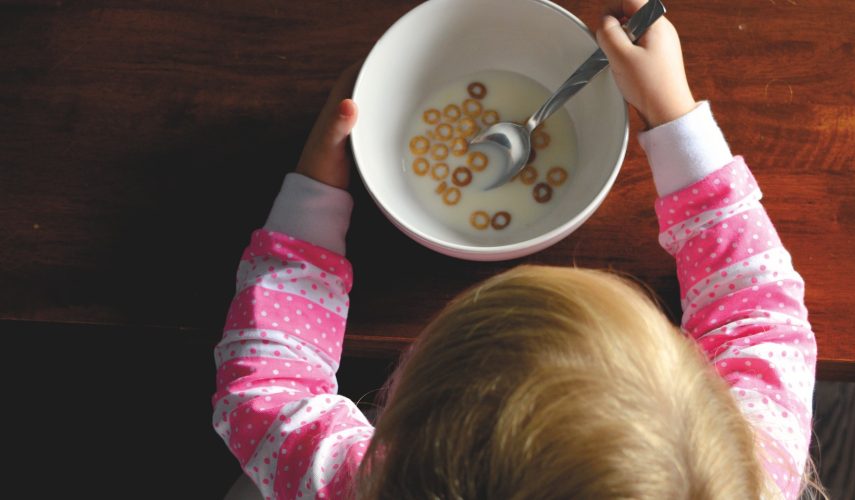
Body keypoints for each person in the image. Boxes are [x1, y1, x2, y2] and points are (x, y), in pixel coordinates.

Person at [213, 1, 823, 498]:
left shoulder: (359, 487)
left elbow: (267, 390)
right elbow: (760, 317)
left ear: (404, 426)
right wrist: (674, 116)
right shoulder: (740, 473)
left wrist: (314, 194)